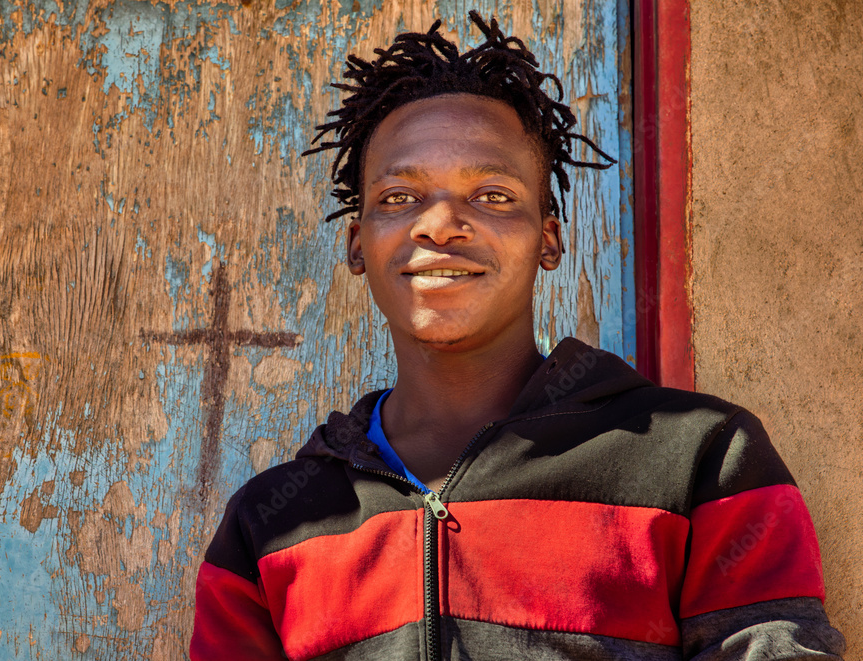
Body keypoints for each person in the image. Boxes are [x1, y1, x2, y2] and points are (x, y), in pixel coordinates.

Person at [189, 12, 846, 660]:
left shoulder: (701, 458)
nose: (440, 224)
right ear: (358, 244)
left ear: (548, 239)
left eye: (493, 196)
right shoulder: (268, 527)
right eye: (399, 198)